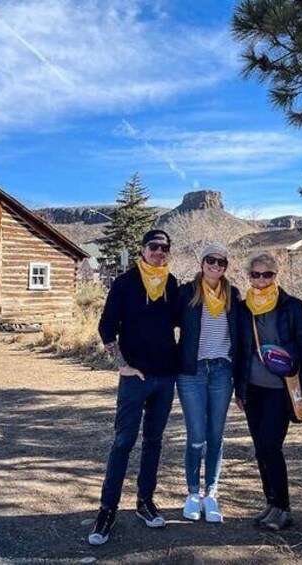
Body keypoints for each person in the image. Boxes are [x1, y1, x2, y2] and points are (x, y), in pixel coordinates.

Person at [89, 229, 179, 546]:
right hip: (135, 378)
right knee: (123, 442)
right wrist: (122, 365)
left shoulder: (171, 283)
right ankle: (107, 509)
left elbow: (185, 321)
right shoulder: (126, 283)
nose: (159, 251)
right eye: (153, 246)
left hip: (165, 378)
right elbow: (106, 327)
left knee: (153, 442)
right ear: (142, 250)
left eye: (164, 248)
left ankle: (145, 502)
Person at [235, 252, 302, 531]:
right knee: (260, 449)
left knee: (271, 445)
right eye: (256, 274)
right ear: (249, 276)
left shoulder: (292, 306)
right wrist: (239, 390)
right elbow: (239, 351)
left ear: (276, 275)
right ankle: (271, 503)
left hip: (281, 390)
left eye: (267, 274)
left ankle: (283, 508)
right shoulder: (243, 307)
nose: (261, 280)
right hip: (253, 389)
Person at [174, 243, 242, 523]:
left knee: (216, 435)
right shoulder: (186, 293)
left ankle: (211, 493)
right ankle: (192, 494)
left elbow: (243, 334)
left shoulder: (233, 295)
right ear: (202, 263)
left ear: (226, 267)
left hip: (222, 371)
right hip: (192, 371)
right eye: (210, 260)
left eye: (221, 262)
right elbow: (164, 325)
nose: (215, 266)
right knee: (196, 436)